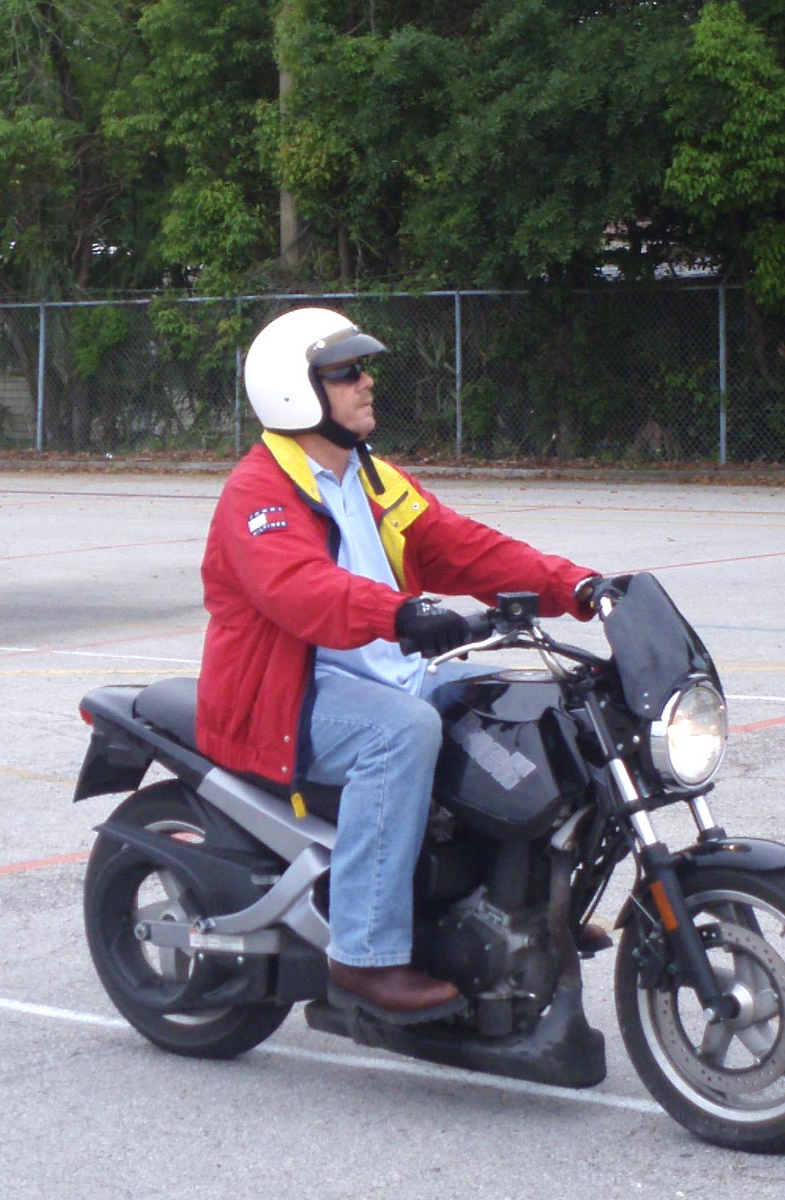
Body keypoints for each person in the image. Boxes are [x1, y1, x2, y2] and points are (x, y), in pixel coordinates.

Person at [196, 307, 600, 1025]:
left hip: (385, 672)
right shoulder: (260, 493)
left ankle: (532, 905)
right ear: (295, 392)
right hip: (289, 695)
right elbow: (299, 589)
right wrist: (402, 614)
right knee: (401, 732)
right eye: (345, 372)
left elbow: (464, 547)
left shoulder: (372, 479)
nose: (366, 382)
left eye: (363, 369)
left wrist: (578, 586)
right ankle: (364, 957)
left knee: (540, 706)